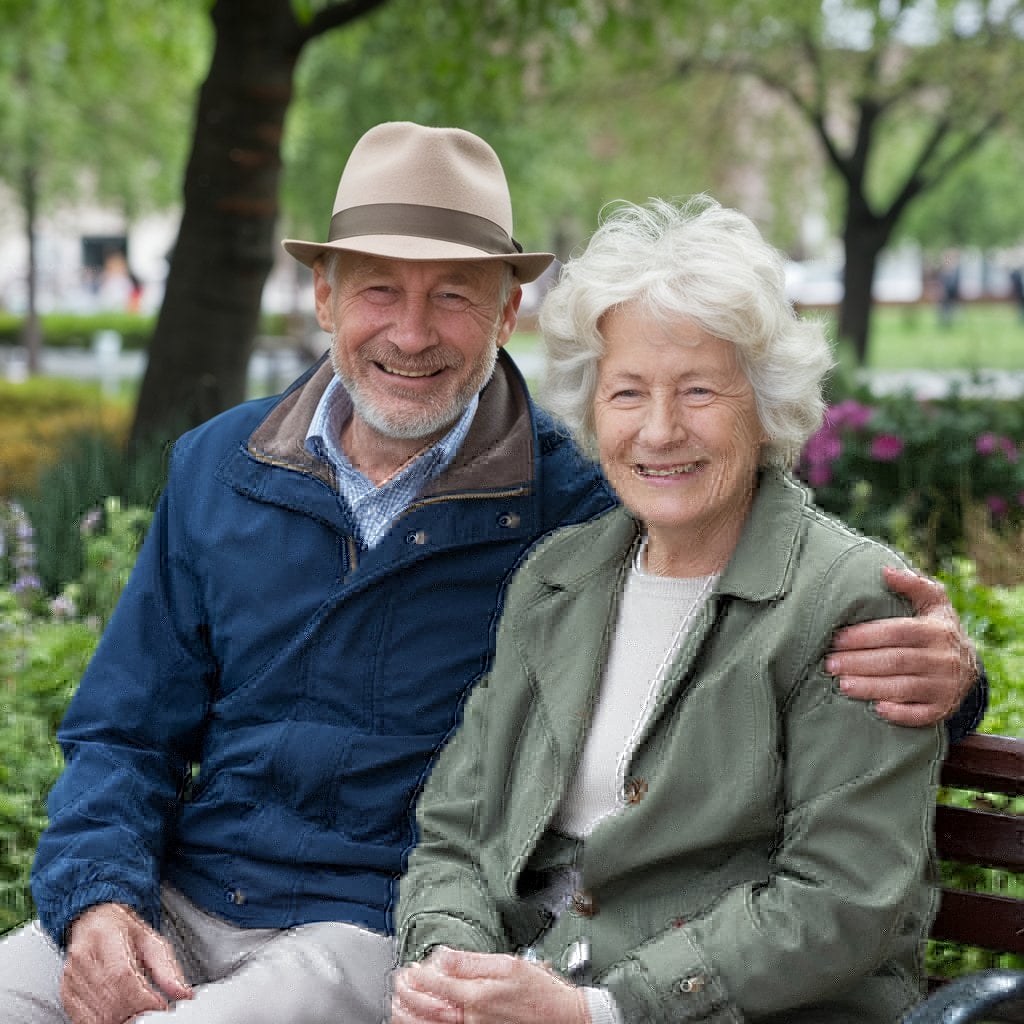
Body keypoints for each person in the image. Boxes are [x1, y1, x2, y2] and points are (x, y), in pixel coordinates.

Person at [0, 126, 981, 1024]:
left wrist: (955, 679)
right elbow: (124, 728)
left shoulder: (568, 505)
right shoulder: (227, 470)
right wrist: (100, 902)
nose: (411, 333)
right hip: (190, 894)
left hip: (361, 923)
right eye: (378, 288)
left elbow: (779, 589)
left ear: (508, 309)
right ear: (324, 295)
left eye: (454, 295)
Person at [391, 198, 953, 1024]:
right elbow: (457, 826)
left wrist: (600, 1012)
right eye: (628, 393)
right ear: (593, 409)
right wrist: (451, 969)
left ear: (764, 406)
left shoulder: (849, 599)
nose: (659, 430)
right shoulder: (558, 580)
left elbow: (842, 900)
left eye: (698, 391)